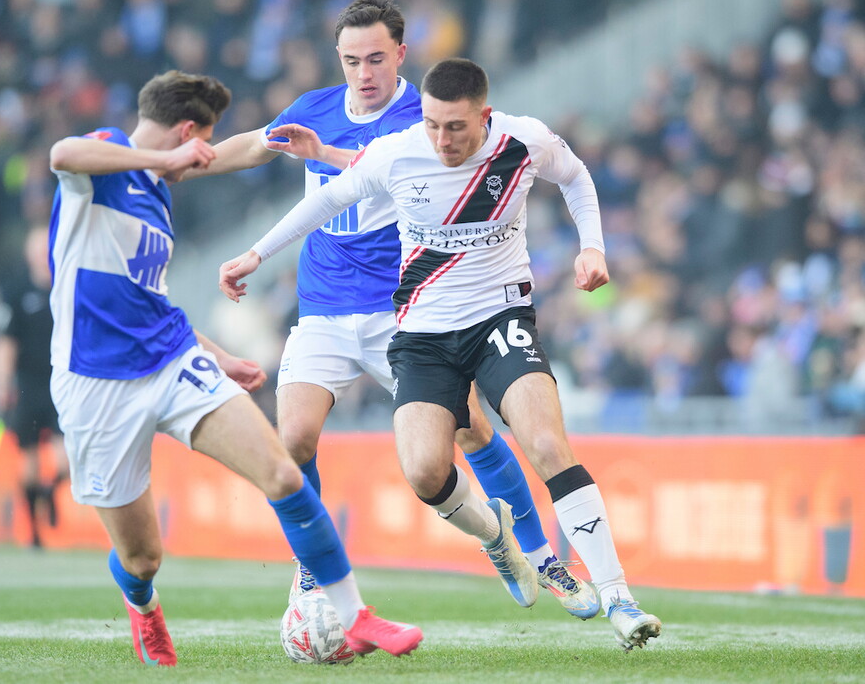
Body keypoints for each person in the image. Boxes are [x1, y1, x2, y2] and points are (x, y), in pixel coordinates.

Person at [219, 58, 663, 650]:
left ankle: (618, 598)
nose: (441, 140)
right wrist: (256, 253)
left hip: (500, 319)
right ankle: (497, 537)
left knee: (547, 443)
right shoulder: (400, 151)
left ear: (483, 116)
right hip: (422, 336)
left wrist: (592, 247)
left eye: (454, 127)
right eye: (431, 125)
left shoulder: (522, 139)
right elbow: (327, 201)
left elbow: (576, 177)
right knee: (426, 472)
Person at [181, 0, 597, 619]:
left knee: (471, 429)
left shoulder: (428, 116)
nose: (364, 73)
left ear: (401, 54)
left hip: (406, 310)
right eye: (351, 60)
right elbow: (255, 145)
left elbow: (382, 168)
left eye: (376, 58)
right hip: (322, 305)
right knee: (290, 438)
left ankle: (540, 556)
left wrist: (320, 155)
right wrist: (185, 162)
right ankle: (317, 570)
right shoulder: (315, 108)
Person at [47, 69, 423, 667]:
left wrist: (219, 358)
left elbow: (152, 299)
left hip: (172, 362)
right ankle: (141, 603)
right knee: (143, 556)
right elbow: (62, 152)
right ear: (190, 133)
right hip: (96, 382)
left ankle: (355, 617)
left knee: (283, 472)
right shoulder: (107, 162)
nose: (201, 163)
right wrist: (150, 157)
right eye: (204, 147)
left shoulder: (158, 198)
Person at [0, 224, 69, 549]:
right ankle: (34, 531)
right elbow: (5, 343)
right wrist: (1, 383)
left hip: (63, 384)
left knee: (68, 462)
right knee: (30, 463)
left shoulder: (67, 286)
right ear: (29, 254)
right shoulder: (16, 291)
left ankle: (52, 490)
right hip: (28, 387)